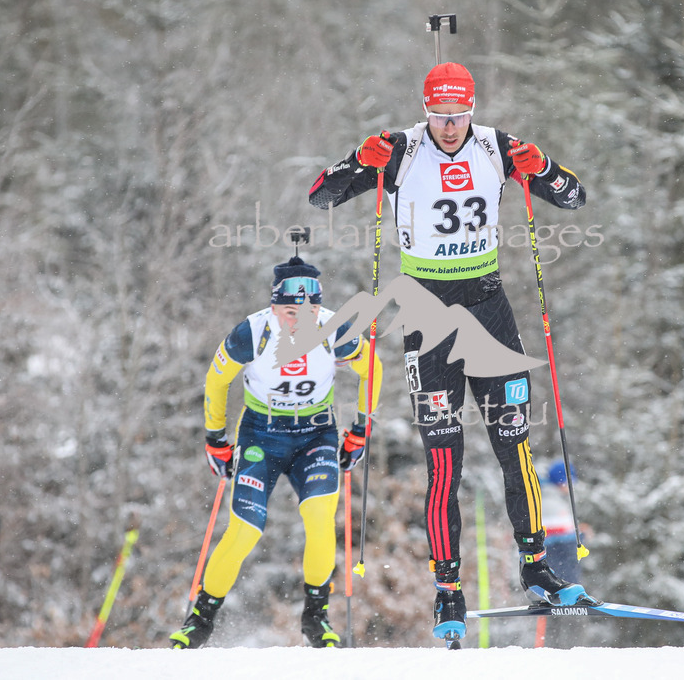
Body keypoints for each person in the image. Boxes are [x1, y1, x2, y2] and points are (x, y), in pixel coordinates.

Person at [308, 61, 598, 644]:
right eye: (439, 115)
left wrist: (544, 169)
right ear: (425, 111)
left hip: (489, 310)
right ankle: (449, 591)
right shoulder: (398, 151)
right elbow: (321, 197)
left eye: (458, 114)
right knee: (445, 463)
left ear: (472, 109)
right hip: (426, 316)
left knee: (514, 445)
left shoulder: (498, 147)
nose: (448, 126)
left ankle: (536, 567)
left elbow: (573, 196)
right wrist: (357, 162)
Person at [169, 256, 383, 649]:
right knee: (245, 530)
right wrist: (216, 438)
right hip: (261, 436)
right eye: (290, 310)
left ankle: (316, 617)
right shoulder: (252, 332)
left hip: (315, 434)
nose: (300, 318)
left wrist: (360, 429)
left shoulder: (337, 328)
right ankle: (200, 618)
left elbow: (373, 369)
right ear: (274, 306)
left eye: (311, 308)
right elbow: (217, 381)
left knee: (320, 518)